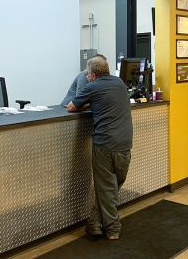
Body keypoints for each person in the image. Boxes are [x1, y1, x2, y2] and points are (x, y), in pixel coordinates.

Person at [67, 56, 133, 240]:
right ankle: (94, 224)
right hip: (125, 144)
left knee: (106, 188)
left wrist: (89, 102)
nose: (87, 76)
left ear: (92, 75)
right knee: (111, 186)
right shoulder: (120, 83)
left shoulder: (92, 86)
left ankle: (112, 228)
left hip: (104, 145)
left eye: (88, 74)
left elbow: (71, 107)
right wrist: (94, 102)